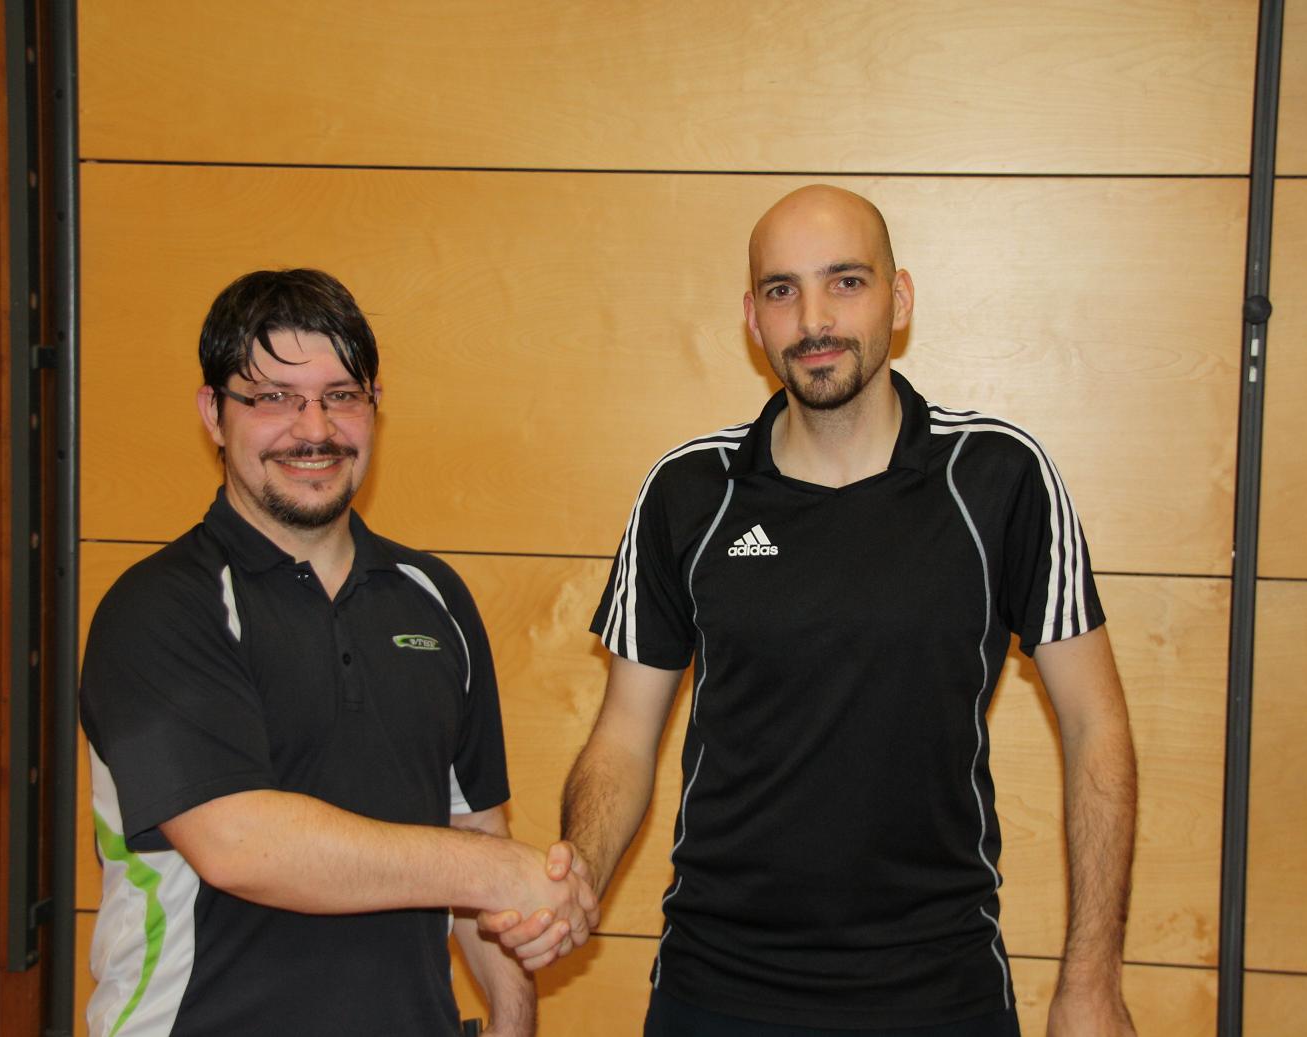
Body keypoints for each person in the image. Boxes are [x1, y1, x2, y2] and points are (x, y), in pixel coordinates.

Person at [490, 186, 1139, 1036]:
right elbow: (623, 737)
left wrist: (1092, 982)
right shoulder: (689, 491)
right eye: (782, 290)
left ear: (898, 299)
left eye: (846, 282)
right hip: (716, 990)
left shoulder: (999, 477)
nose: (814, 319)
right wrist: (580, 871)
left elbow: (1097, 726)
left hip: (940, 991)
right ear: (753, 320)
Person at [80, 269, 596, 1036]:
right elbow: (240, 843)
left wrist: (513, 1015)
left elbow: (471, 835)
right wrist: (496, 870)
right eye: (273, 397)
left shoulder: (435, 598)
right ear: (213, 413)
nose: (314, 428)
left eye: (341, 395)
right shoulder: (159, 608)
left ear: (375, 406)